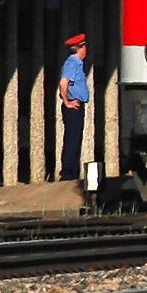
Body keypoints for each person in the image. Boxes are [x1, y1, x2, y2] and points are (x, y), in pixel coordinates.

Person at [59, 33, 90, 182]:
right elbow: (63, 83)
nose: (86, 50)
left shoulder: (77, 63)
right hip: (73, 106)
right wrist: (66, 101)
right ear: (79, 48)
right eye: (84, 47)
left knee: (76, 138)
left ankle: (73, 172)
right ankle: (68, 172)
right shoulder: (73, 62)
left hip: (76, 105)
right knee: (72, 139)